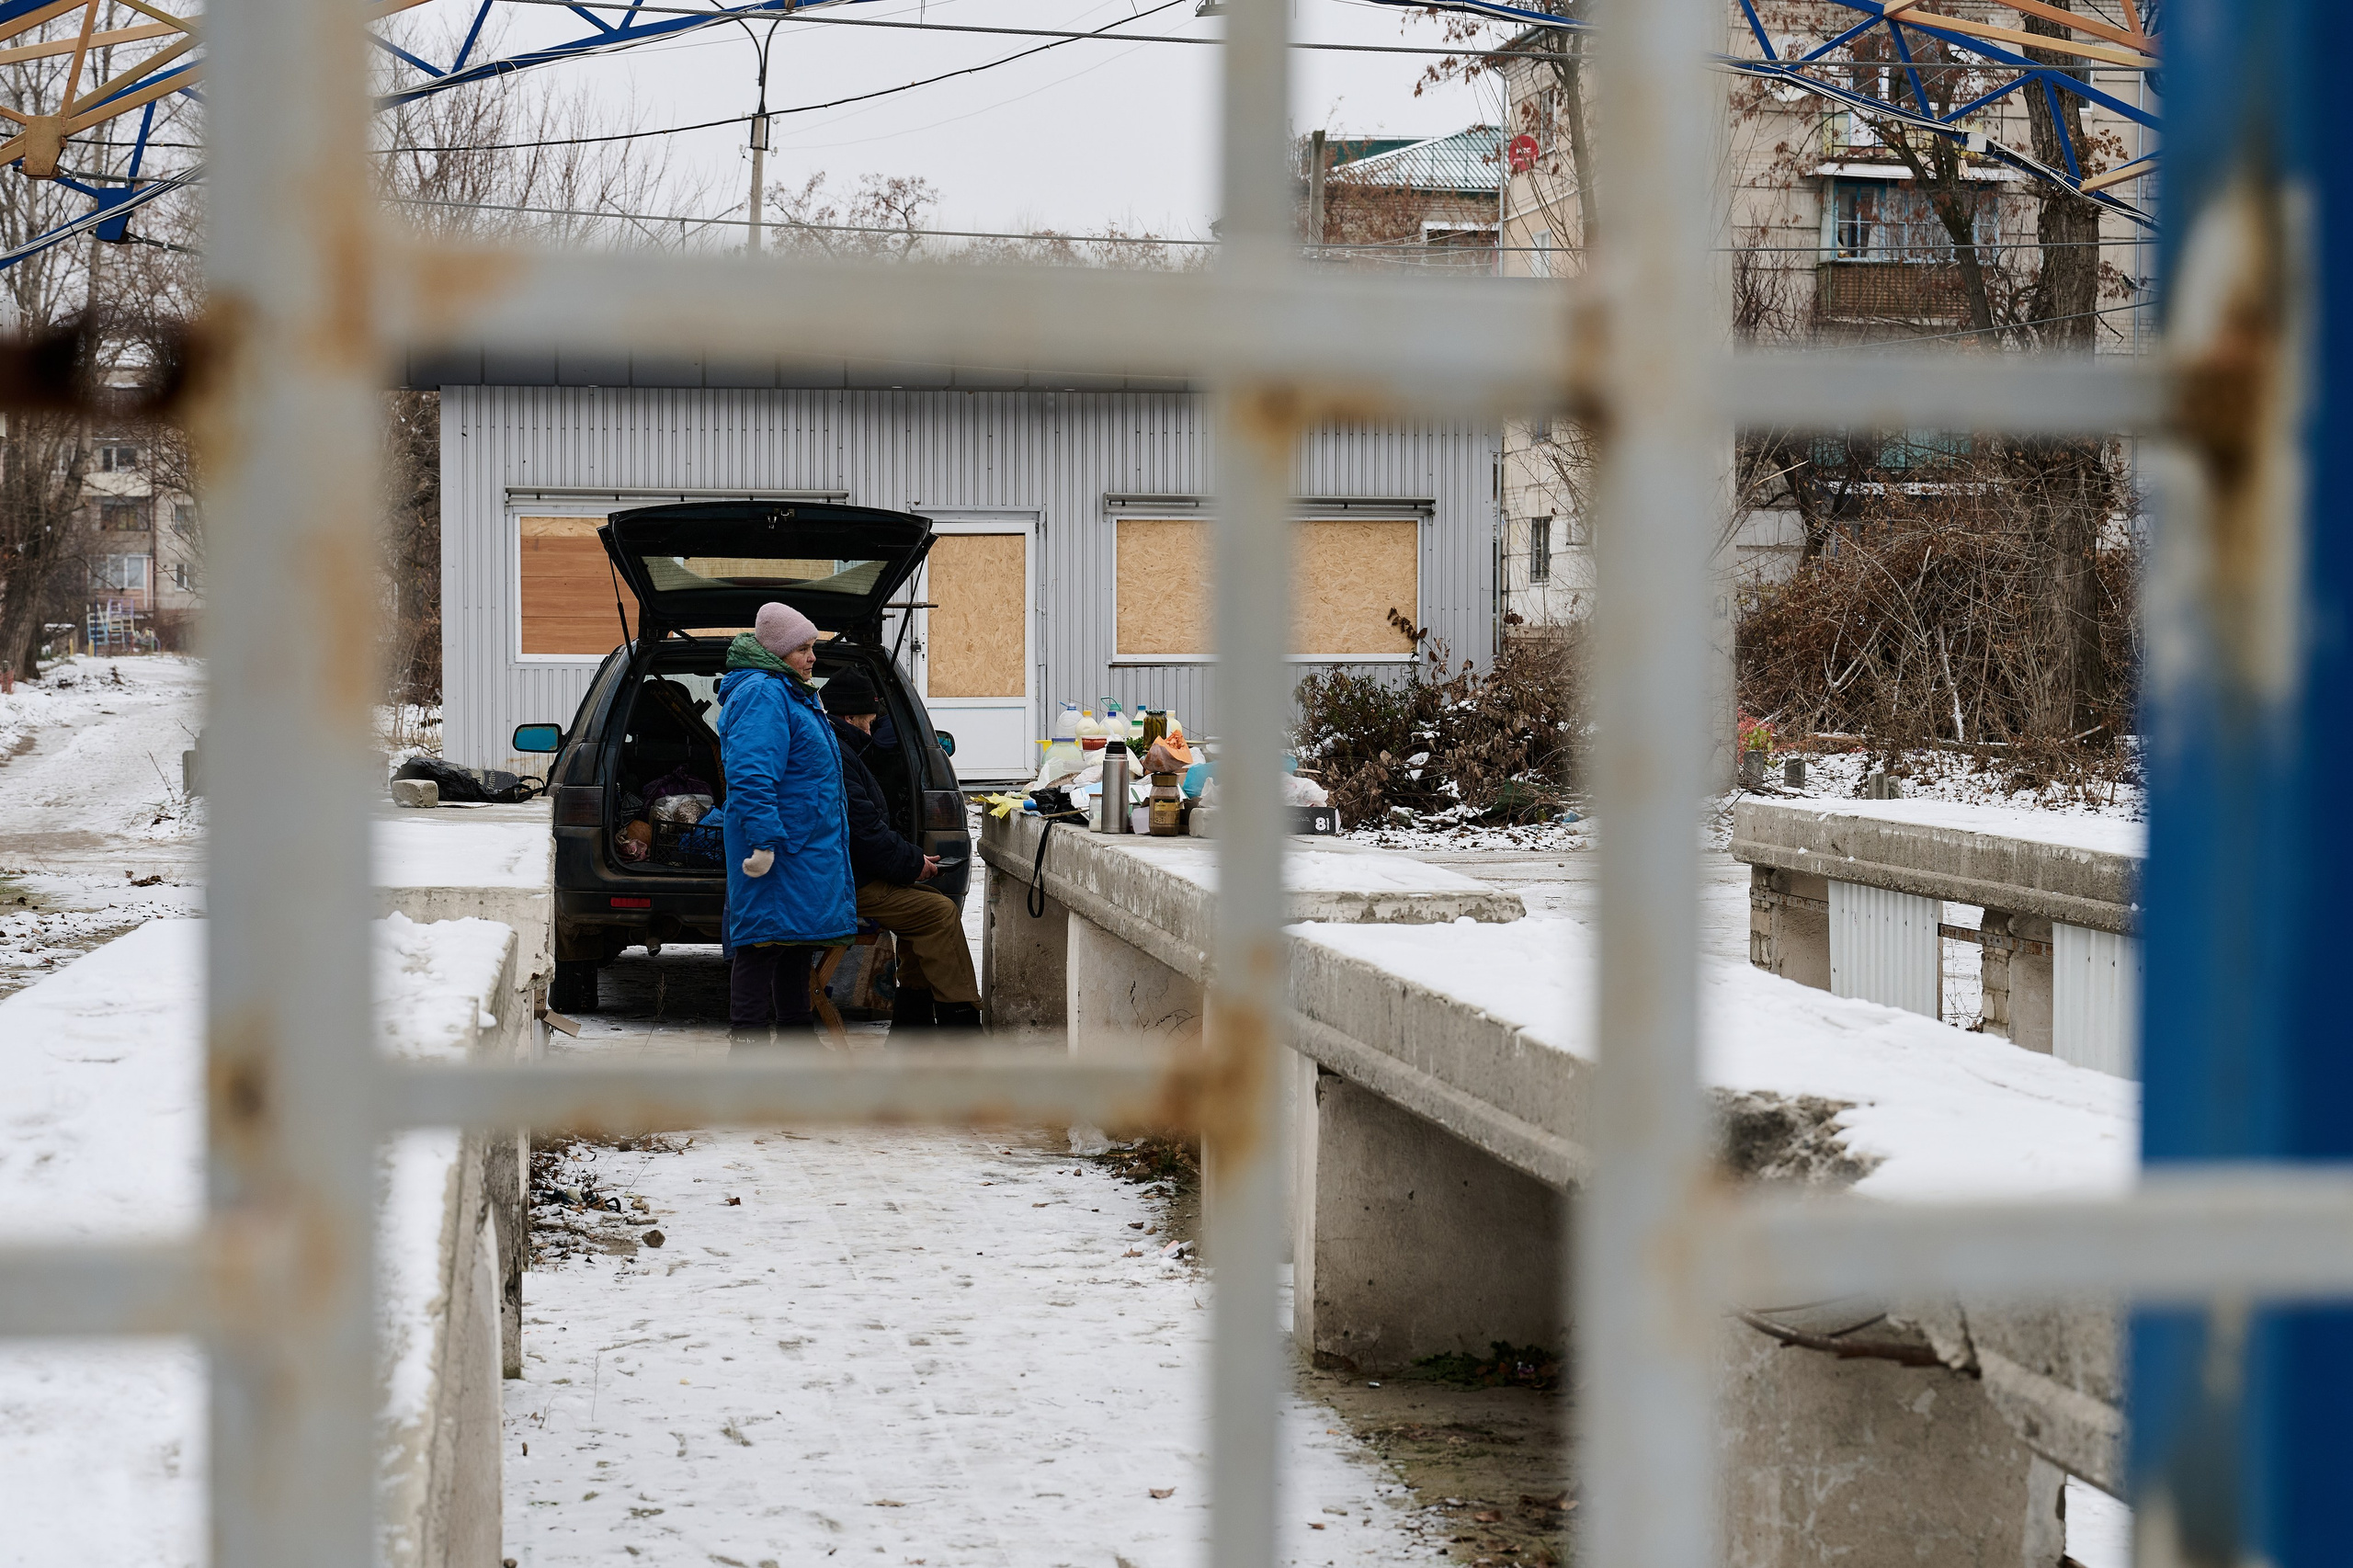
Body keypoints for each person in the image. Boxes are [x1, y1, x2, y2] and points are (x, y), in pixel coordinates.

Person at [716, 602, 857, 1046]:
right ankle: (750, 1050)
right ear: (778, 652)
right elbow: (752, 774)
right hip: (778, 847)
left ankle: (799, 1043)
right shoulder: (764, 693)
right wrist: (764, 842)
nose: (813, 657)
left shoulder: (789, 690)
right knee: (761, 945)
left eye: (813, 647)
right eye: (804, 649)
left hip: (798, 846)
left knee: (793, 941)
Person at [818, 665, 983, 1032]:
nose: (872, 728)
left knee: (921, 910)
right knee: (937, 913)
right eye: (868, 720)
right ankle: (963, 1030)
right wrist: (913, 862)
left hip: (840, 875)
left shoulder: (836, 748)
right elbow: (864, 833)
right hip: (842, 883)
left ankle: (913, 1024)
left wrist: (909, 863)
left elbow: (865, 830)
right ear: (849, 716)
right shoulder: (838, 756)